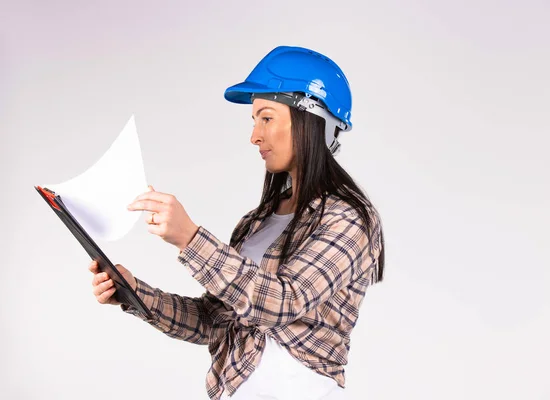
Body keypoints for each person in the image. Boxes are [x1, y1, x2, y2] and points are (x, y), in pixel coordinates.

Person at [89, 45, 386, 400]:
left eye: (267, 117)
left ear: (312, 121)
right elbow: (213, 320)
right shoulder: (256, 222)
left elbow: (282, 302)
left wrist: (189, 238)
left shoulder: (348, 219)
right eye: (254, 120)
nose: (254, 136)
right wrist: (135, 293)